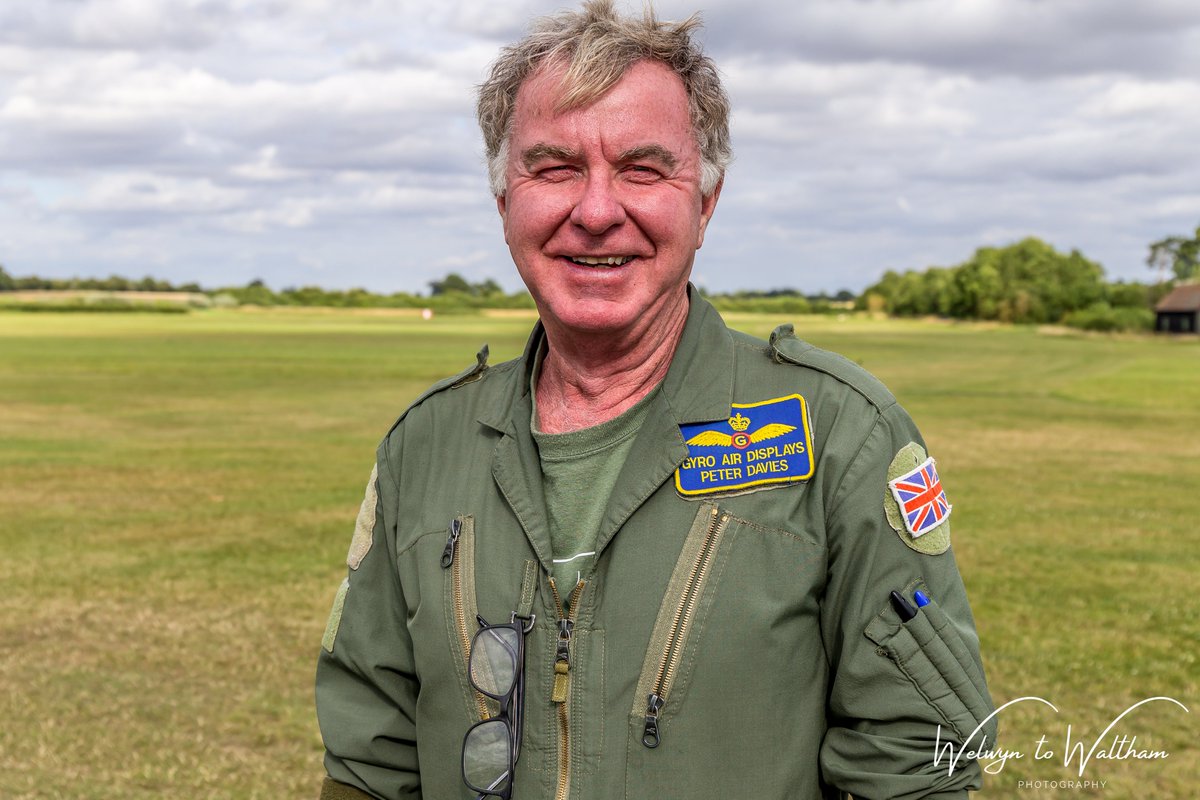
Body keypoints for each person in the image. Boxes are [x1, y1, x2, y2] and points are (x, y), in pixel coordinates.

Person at [315, 2, 996, 798]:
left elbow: (918, 759)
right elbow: (370, 758)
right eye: (555, 168)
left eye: (642, 169)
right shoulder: (424, 445)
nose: (597, 212)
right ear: (504, 202)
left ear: (704, 204)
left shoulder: (842, 434)